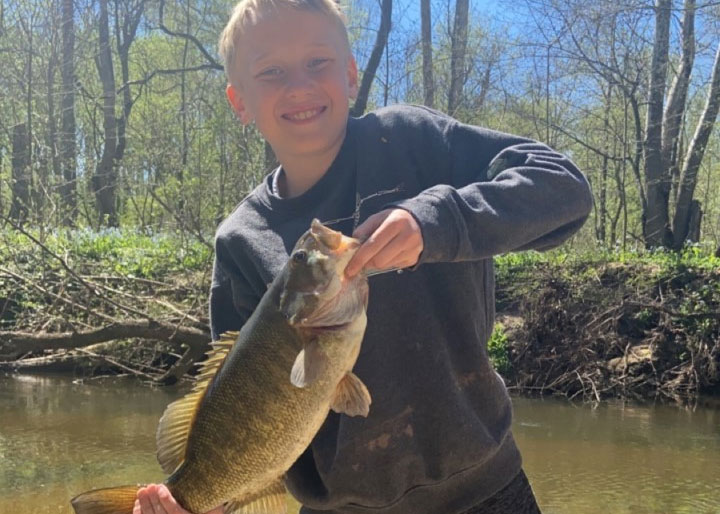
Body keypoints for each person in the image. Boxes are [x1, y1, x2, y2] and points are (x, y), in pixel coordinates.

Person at [133, 1, 593, 513]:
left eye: (317, 63)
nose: (299, 86)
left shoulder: (411, 143)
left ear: (350, 75)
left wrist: (434, 221)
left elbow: (566, 189)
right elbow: (237, 415)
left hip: (485, 492)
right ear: (239, 102)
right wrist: (200, 504)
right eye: (272, 72)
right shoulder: (240, 240)